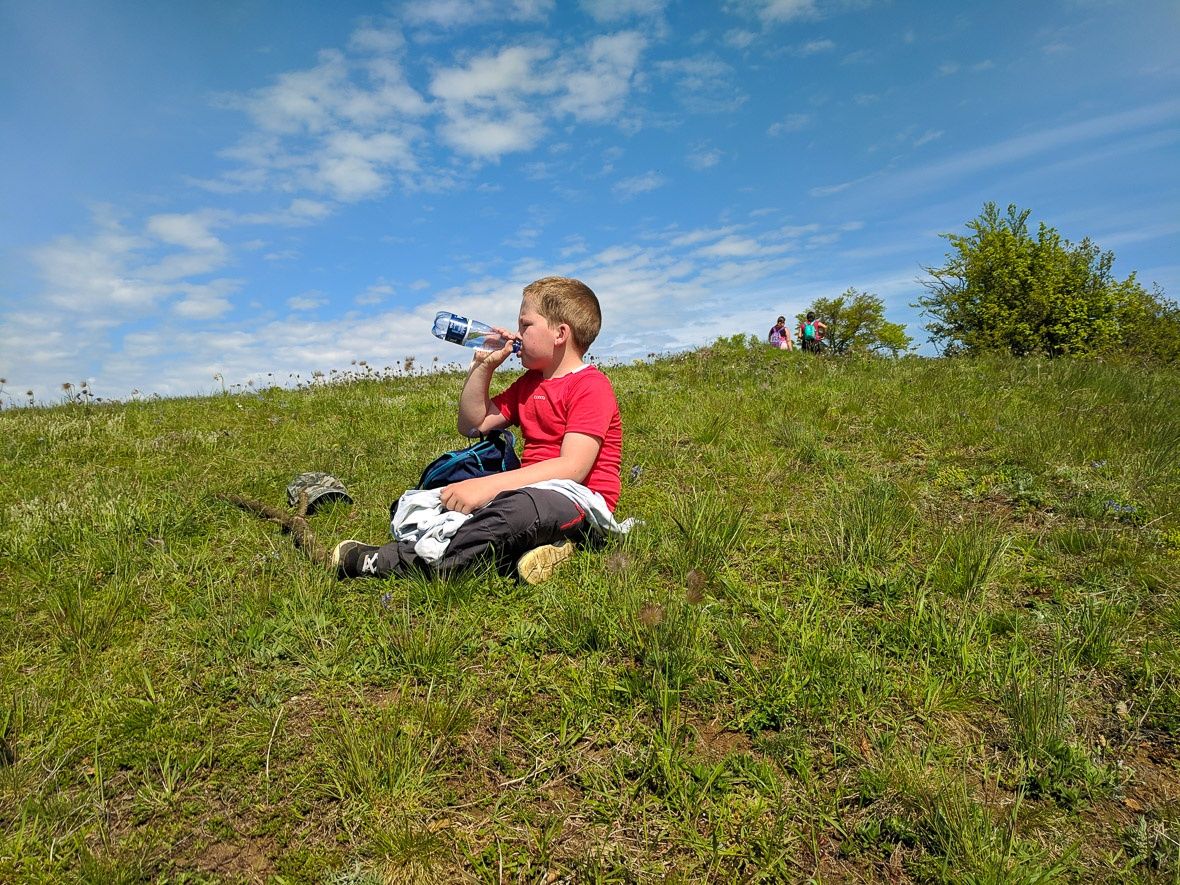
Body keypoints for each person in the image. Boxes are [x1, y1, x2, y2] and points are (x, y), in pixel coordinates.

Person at [332, 276, 626, 584]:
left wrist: (487, 488)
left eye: (526, 325)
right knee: (434, 501)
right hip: (530, 491)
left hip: (579, 500)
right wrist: (484, 367)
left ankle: (390, 561)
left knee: (510, 513)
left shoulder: (591, 386)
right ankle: (544, 552)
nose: (517, 333)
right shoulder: (530, 383)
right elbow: (473, 424)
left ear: (560, 334)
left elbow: (572, 468)